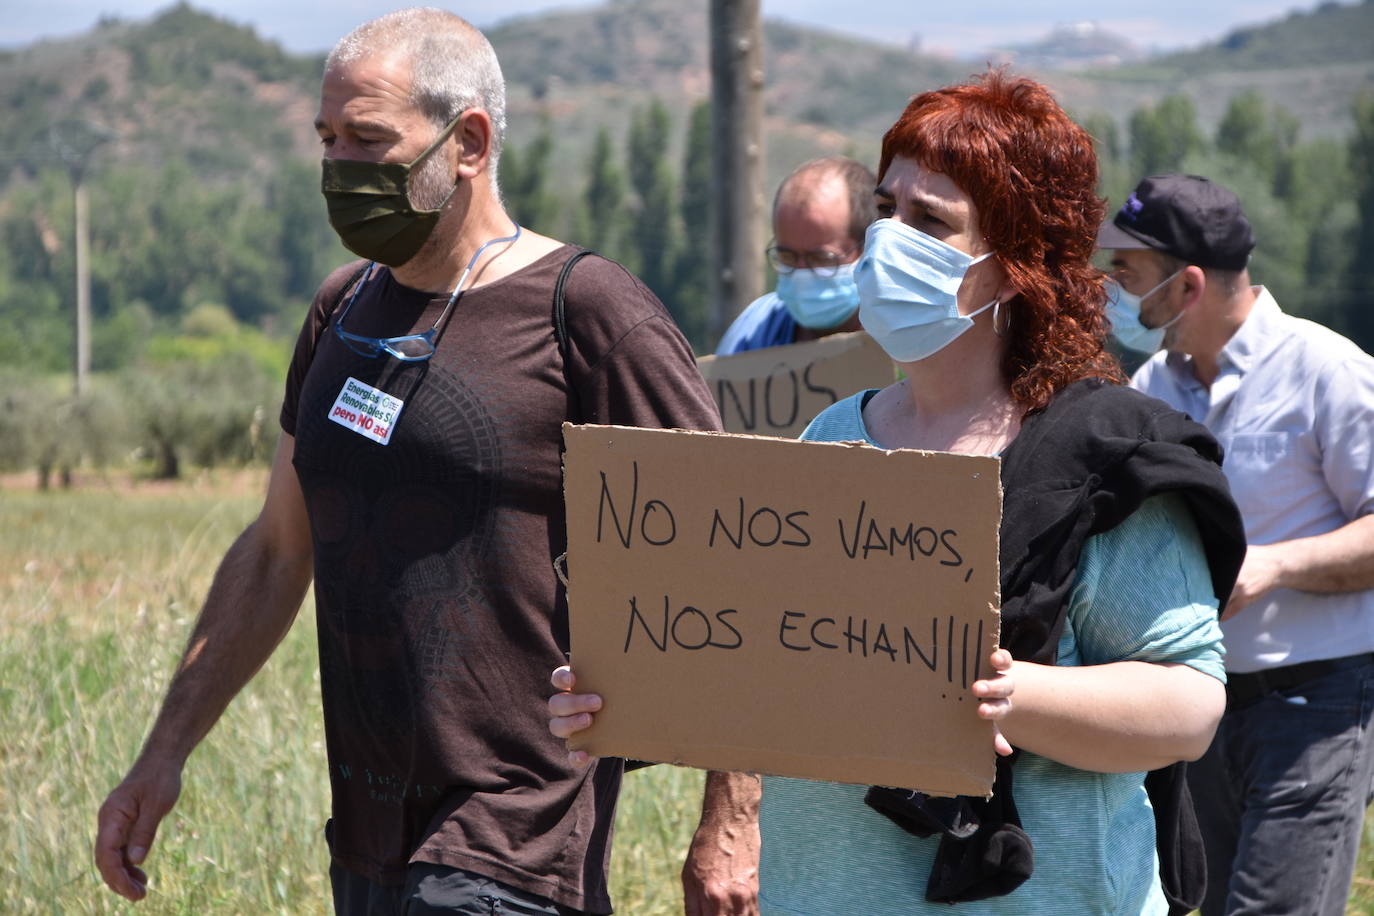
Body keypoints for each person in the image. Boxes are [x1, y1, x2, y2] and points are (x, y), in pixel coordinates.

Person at [552, 72, 1248, 915]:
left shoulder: (1102, 459)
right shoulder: (830, 435)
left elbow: (1188, 705)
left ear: (1011, 267)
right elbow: (764, 662)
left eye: (931, 221)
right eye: (886, 208)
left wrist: (1019, 699)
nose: (889, 240)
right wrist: (628, 689)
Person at [92, 9, 734, 915]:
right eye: (327, 139)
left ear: (468, 141)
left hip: (513, 834)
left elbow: (729, 566)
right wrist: (162, 754)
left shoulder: (587, 313)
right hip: (365, 837)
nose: (340, 166)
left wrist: (731, 819)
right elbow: (278, 550)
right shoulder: (341, 311)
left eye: (368, 139)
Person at [1100, 173, 1374, 916]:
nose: (1111, 288)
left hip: (1315, 701)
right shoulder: (1153, 386)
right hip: (1200, 708)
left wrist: (1274, 567)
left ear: (1187, 286)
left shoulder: (1327, 371)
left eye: (1126, 272)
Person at [715, 157, 875, 355]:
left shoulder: (905, 341)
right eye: (787, 257)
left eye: (821, 258)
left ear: (869, 249)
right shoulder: (752, 334)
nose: (801, 273)